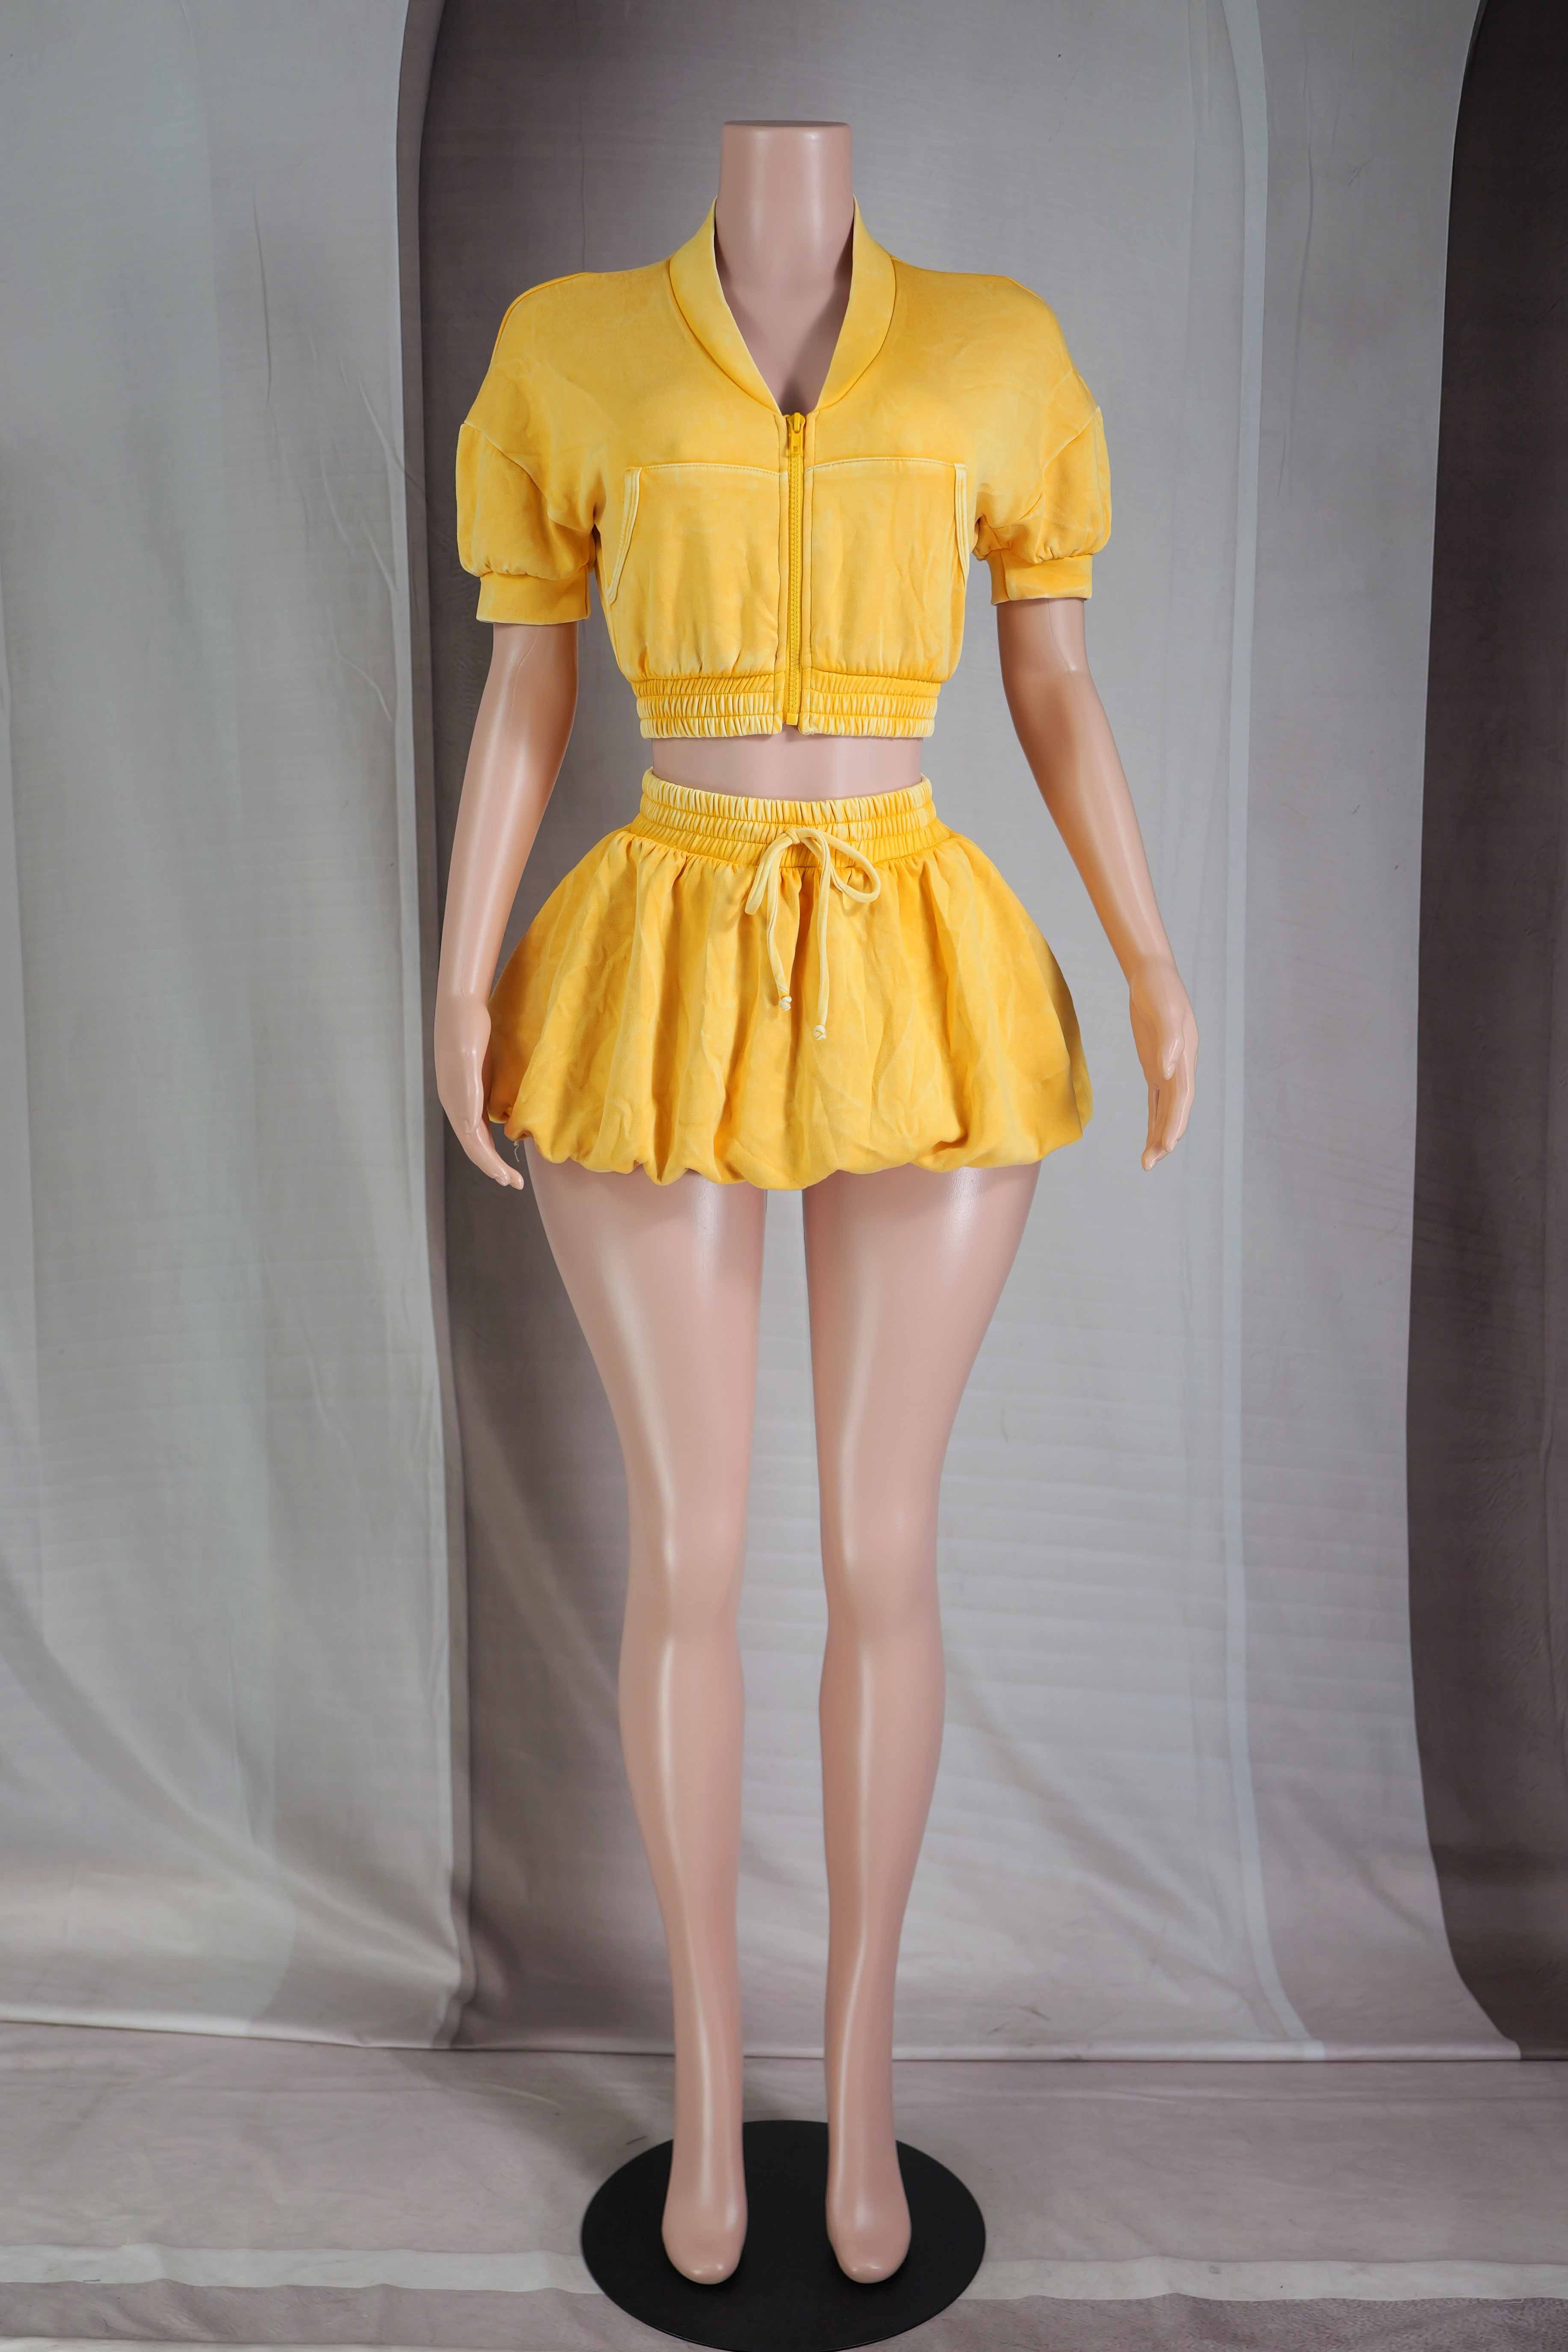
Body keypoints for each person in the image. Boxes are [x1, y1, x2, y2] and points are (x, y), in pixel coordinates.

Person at [435, 120, 1196, 2288]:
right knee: (687, 1550)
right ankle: (703, 2099)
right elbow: (530, 682)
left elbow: (1050, 674)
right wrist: (461, 971)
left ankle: (855, 2100)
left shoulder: (993, 348)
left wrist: (1147, 958)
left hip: (914, 953)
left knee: (881, 1547)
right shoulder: (572, 346)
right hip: (658, 953)